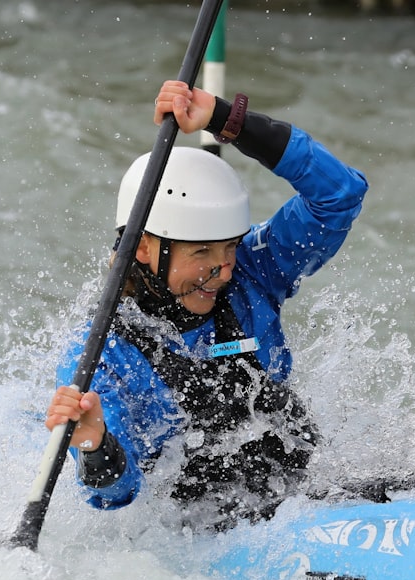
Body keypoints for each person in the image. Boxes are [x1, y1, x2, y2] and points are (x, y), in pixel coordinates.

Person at [44, 79, 368, 528]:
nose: (225, 269)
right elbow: (115, 497)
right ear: (143, 248)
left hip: (297, 496)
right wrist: (94, 443)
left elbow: (339, 195)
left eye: (229, 247)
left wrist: (224, 119)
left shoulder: (257, 271)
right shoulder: (101, 355)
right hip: (197, 531)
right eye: (201, 253)